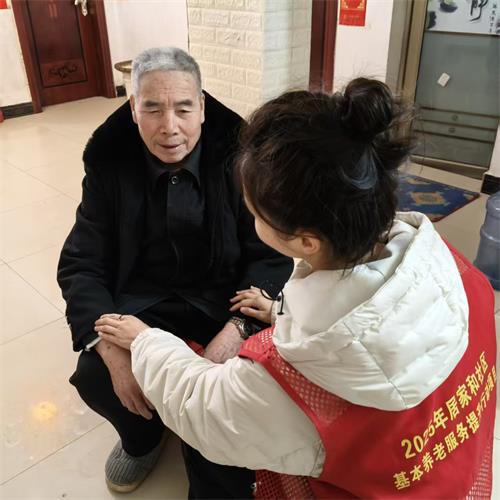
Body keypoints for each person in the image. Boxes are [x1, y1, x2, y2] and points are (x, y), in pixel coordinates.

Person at [94, 78, 497, 498]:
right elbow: (381, 325)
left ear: (306, 242)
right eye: (153, 108)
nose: (170, 127)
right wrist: (279, 311)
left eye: (256, 213)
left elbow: (206, 408)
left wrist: (145, 341)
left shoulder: (292, 383)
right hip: (459, 478)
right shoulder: (460, 272)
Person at [57, 47, 292, 496]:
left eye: (184, 109)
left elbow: (271, 254)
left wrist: (237, 328)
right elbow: (81, 262)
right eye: (152, 109)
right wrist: (110, 350)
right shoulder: (109, 165)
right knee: (96, 375)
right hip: (139, 306)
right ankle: (143, 438)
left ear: (202, 107)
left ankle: (212, 453)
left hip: (222, 302)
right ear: (133, 109)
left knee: (237, 391)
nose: (169, 127)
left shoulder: (239, 161)